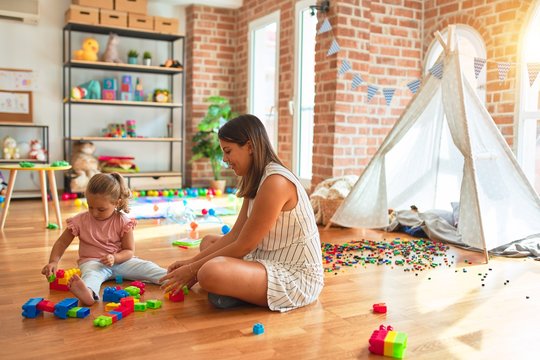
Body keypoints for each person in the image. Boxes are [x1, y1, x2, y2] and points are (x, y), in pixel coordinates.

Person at [161, 114, 324, 312]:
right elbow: (236, 234)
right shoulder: (255, 177)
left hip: (295, 275)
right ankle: (236, 290)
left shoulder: (275, 182)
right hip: (265, 257)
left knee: (209, 272)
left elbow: (244, 245)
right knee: (208, 243)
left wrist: (193, 271)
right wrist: (189, 263)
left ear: (249, 146)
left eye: (228, 151)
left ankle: (236, 291)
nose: (224, 159)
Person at [41, 172, 166, 306]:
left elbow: (129, 251)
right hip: (93, 263)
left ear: (116, 203)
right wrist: (53, 262)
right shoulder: (79, 221)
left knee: (147, 267)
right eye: (90, 207)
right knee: (90, 276)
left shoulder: (123, 221)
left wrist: (115, 258)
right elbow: (62, 242)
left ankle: (172, 278)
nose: (94, 213)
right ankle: (88, 294)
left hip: (122, 262)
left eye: (101, 209)